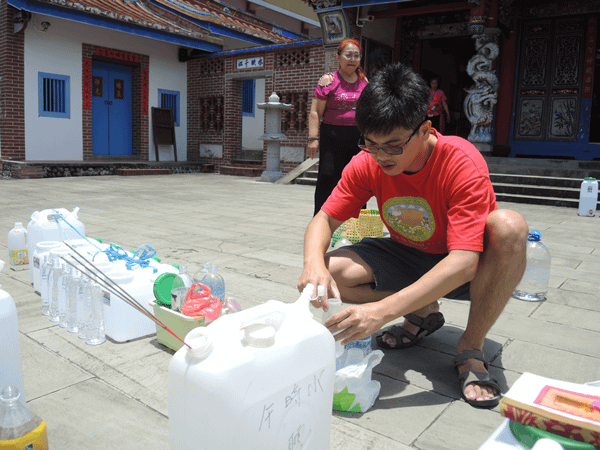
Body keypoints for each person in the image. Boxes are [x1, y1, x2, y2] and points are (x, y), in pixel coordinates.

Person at [297, 63, 529, 408]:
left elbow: (464, 262)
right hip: (407, 253)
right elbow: (324, 219)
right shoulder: (368, 161)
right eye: (371, 143)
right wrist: (312, 263)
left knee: (510, 226)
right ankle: (423, 310)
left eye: (393, 145)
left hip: (469, 265)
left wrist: (381, 312)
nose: (381, 156)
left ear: (425, 130)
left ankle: (470, 346)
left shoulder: (460, 162)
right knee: (330, 272)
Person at [307, 38, 368, 216]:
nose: (353, 59)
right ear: (338, 57)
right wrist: (313, 139)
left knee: (358, 179)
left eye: (357, 56)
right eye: (348, 55)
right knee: (328, 178)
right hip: (331, 136)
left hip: (357, 138)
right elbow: (315, 112)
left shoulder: (365, 82)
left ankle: (355, 221)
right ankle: (321, 219)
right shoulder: (329, 80)